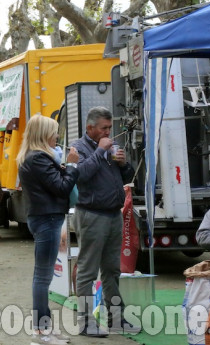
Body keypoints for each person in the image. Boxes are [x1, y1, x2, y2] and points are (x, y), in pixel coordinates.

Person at [72, 106, 138, 336]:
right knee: (88, 271)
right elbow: (79, 175)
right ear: (90, 128)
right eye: (103, 128)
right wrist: (100, 152)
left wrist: (123, 164)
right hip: (91, 215)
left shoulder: (112, 146)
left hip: (113, 215)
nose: (108, 133)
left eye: (110, 128)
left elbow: (127, 177)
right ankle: (86, 322)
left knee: (112, 270)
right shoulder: (78, 148)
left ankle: (116, 319)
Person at [17, 115, 79, 345]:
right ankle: (41, 331)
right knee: (43, 277)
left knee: (42, 277)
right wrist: (71, 166)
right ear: (44, 134)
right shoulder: (38, 159)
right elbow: (61, 187)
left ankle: (45, 328)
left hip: (44, 217)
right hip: (47, 218)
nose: (57, 136)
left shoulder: (33, 158)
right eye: (54, 132)